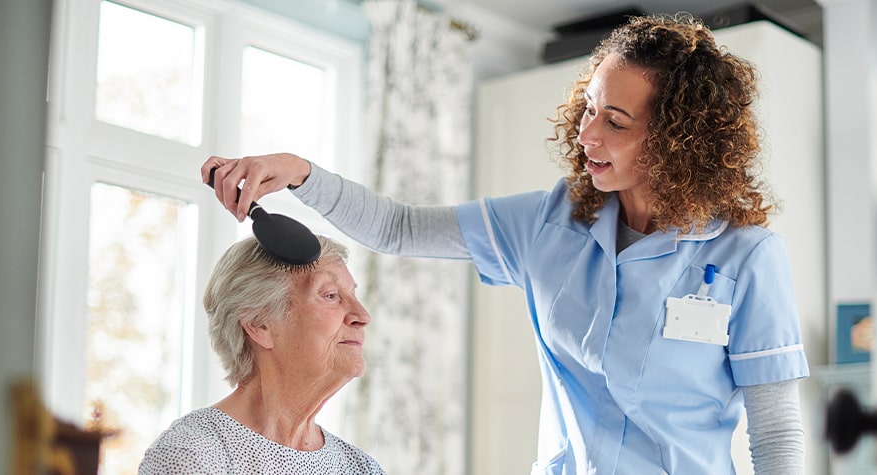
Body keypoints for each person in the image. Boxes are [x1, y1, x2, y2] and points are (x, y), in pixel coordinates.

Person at [200, 14, 806, 474]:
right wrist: (302, 172)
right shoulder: (549, 222)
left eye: (616, 123)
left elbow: (776, 434)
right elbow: (400, 227)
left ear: (680, 140)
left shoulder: (745, 257)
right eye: (590, 109)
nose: (588, 134)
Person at [139, 236, 385, 474]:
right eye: (330, 295)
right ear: (259, 324)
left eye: (353, 295)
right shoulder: (191, 455)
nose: (362, 316)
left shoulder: (362, 468)